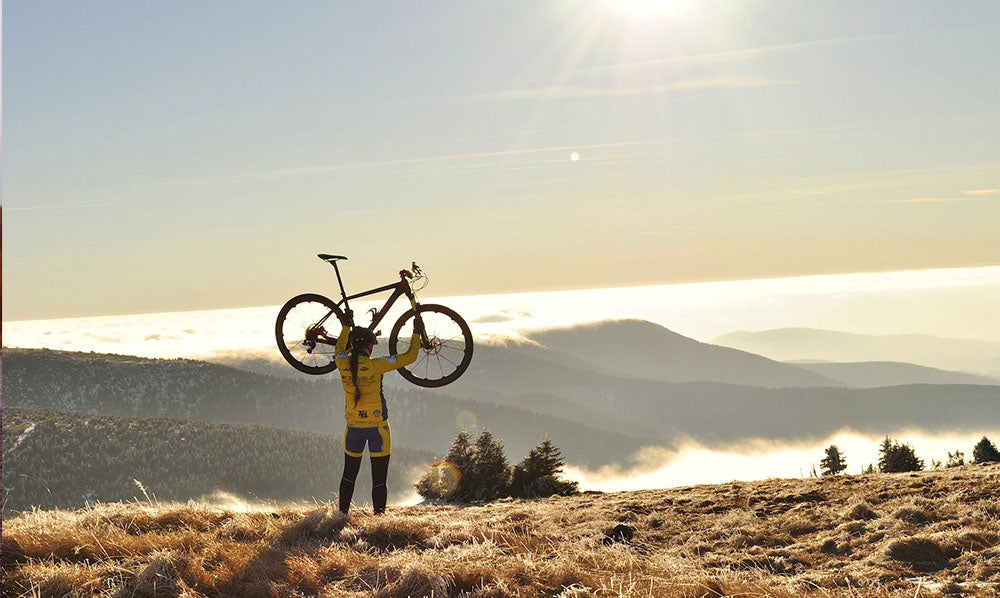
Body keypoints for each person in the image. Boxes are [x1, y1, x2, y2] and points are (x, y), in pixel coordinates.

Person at [333, 313, 422, 515]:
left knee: (348, 475)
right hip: (378, 429)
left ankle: (341, 517)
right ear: (369, 347)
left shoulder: (341, 363)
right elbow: (410, 356)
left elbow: (338, 349)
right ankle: (379, 520)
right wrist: (416, 332)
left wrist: (346, 327)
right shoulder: (376, 365)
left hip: (353, 429)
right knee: (379, 479)